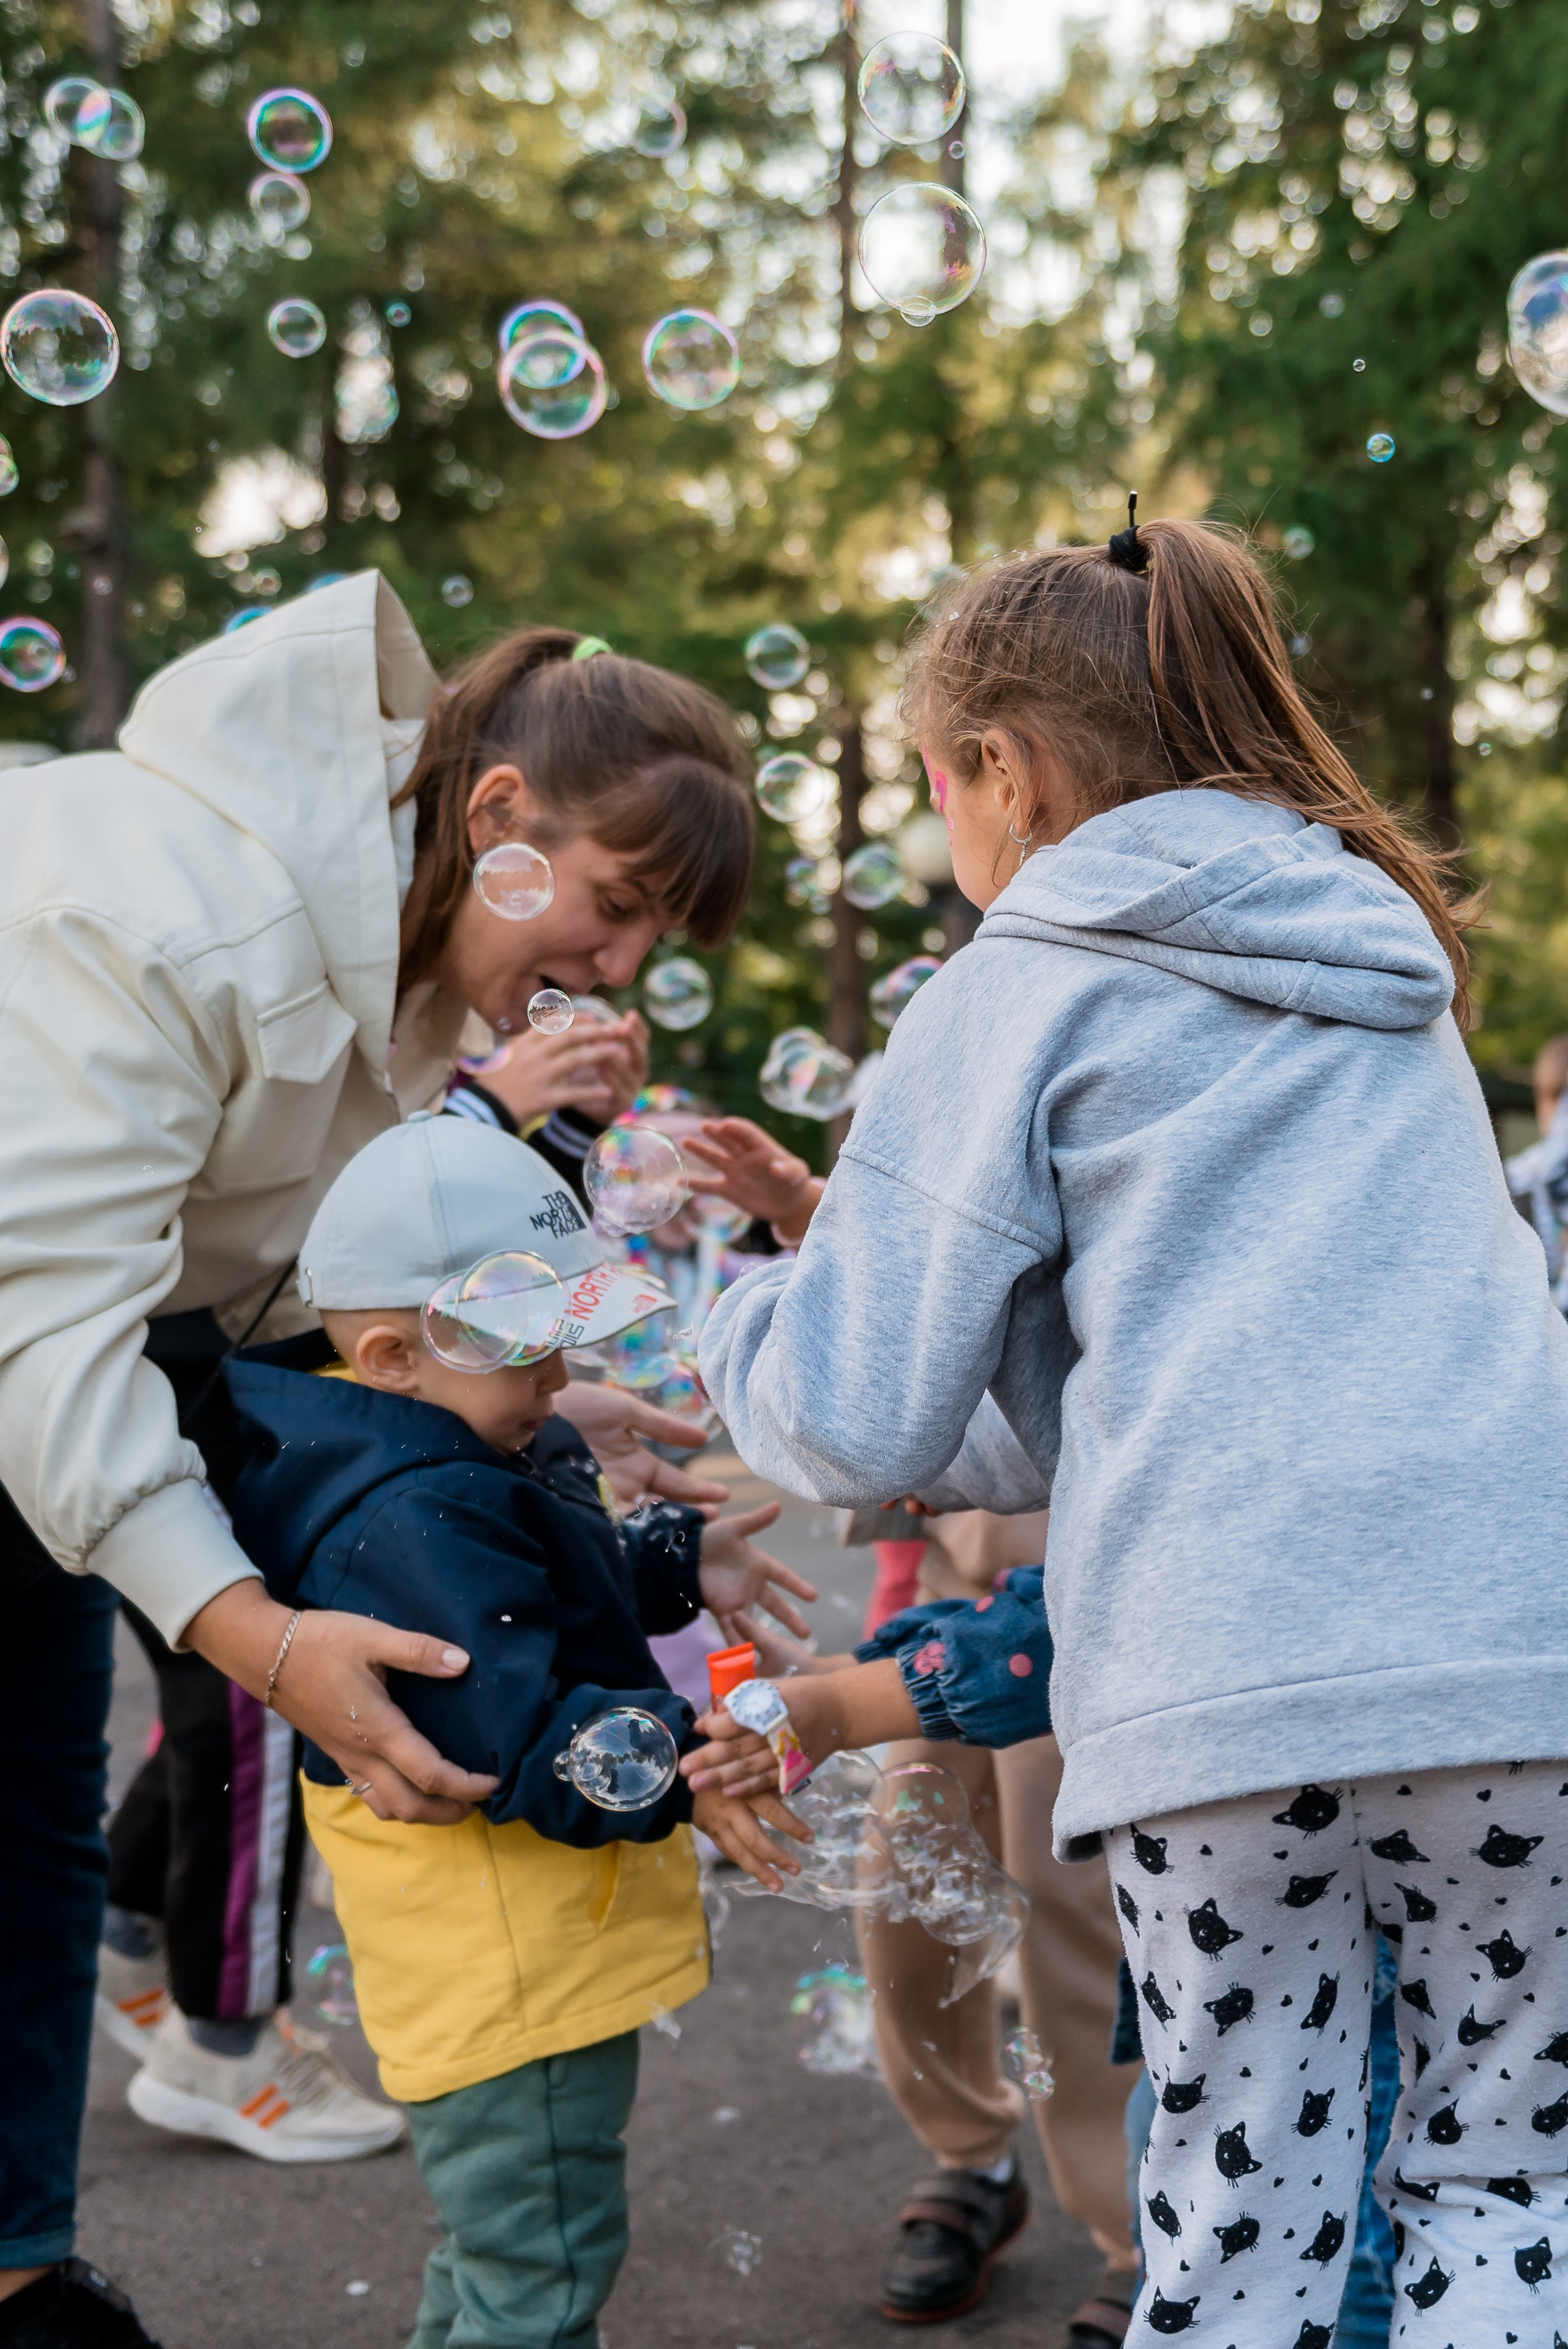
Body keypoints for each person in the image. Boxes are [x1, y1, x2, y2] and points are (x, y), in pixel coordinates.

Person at [684, 517, 1568, 2343]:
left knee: (1242, 2223)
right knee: (1506, 2179)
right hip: (1517, 1659)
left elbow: (853, 1422)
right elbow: (1117, 1394)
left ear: (999, 769)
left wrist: (730, 1301)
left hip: (1222, 1691)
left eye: (943, 784)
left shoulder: (1016, 979)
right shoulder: (1380, 954)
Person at [0, 576, 755, 2342]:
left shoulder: (389, 983)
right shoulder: (165, 920)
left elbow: (286, 1316)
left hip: (47, 1388)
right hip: (26, 1367)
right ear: (498, 818)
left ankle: (23, 2270)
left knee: (34, 1820)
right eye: (615, 904)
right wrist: (258, 1636)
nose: (619, 968)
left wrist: (527, 1399)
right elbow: (50, 1337)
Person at [222, 1115, 810, 2349]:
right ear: (393, 1353)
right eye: (530, 1359)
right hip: (512, 1976)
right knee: (538, 2271)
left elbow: (530, 1602)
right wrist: (684, 1765)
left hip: (500, 1963)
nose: (557, 1387)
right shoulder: (415, 1508)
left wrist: (666, 1556)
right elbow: (517, 1729)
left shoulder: (397, 1451)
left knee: (496, 2260)